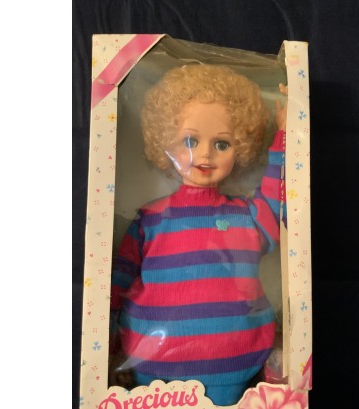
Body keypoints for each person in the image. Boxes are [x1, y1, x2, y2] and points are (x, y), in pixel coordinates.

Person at [110, 64, 287, 406]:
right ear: (165, 140)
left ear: (242, 146)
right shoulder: (150, 219)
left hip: (232, 363)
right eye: (190, 141)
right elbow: (118, 280)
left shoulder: (245, 216)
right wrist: (107, 341)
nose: (204, 154)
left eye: (222, 143)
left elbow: (278, 202)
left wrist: (285, 136)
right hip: (152, 368)